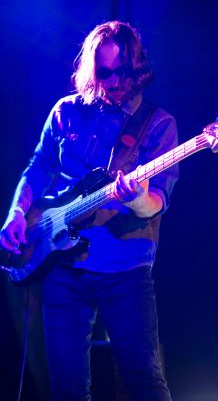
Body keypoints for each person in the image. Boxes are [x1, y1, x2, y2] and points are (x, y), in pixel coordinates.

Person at [0, 20, 178, 401]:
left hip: (124, 269)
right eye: (103, 72)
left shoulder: (157, 125)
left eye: (121, 73)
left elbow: (155, 204)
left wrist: (135, 197)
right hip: (60, 267)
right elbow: (39, 166)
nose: (113, 82)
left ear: (137, 69)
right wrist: (17, 211)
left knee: (143, 382)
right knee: (66, 389)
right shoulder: (66, 111)